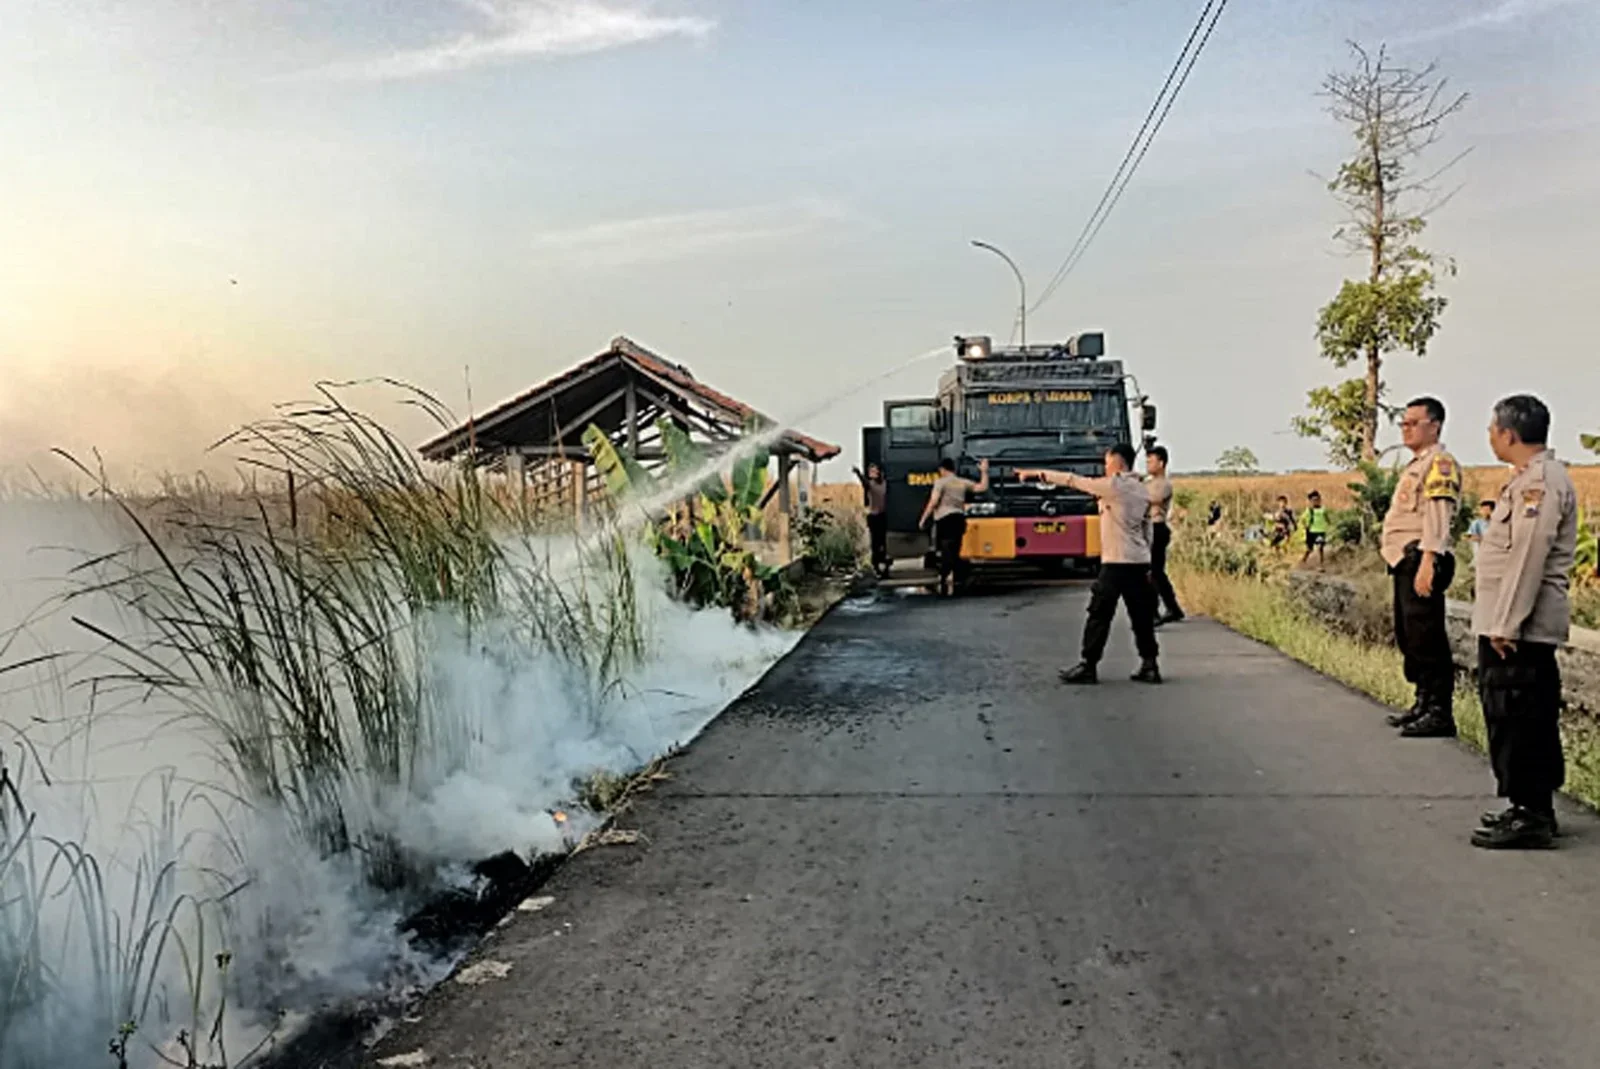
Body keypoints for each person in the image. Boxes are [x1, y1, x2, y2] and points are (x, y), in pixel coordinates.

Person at [1471, 395, 1578, 850]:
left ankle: (1532, 812)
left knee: (1519, 713)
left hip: (1520, 627)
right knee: (1513, 712)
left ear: (1509, 433)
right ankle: (1527, 805)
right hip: (1511, 621)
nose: (1490, 436)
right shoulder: (1525, 480)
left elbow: (1529, 555)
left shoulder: (1541, 483)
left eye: (1492, 429)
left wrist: (1507, 623)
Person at [1017, 443, 1160, 685]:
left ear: (1117, 463)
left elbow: (1072, 480)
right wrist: (1147, 559)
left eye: (1107, 462)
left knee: (1099, 614)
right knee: (1141, 617)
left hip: (1116, 562)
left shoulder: (1113, 486)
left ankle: (1088, 665)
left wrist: (1035, 474)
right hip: (1138, 560)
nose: (1105, 467)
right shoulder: (1142, 490)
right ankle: (1150, 664)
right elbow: (1148, 531)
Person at [1381, 397, 1463, 738]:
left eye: (1414, 423)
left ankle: (1439, 711)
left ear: (1435, 426)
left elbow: (1437, 516)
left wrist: (1429, 560)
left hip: (1421, 558)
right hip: (1404, 559)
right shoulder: (1416, 464)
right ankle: (1423, 702)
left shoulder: (1440, 464)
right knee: (1410, 636)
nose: (1406, 428)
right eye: (1403, 423)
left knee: (1427, 637)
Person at [918, 457, 989, 597]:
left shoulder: (940, 482)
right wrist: (984, 471)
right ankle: (958, 576)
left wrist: (923, 518)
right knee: (955, 549)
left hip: (944, 518)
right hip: (959, 518)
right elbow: (982, 487)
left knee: (945, 549)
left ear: (942, 469)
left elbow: (934, 501)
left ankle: (945, 576)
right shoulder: (961, 482)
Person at [1144, 446, 1184, 625]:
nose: (1148, 464)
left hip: (1157, 527)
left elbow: (1153, 499)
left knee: (1154, 572)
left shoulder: (1164, 484)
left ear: (1161, 463)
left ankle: (1155, 611)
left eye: (1151, 461)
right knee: (1155, 572)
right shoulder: (1148, 483)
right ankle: (1172, 608)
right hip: (1149, 528)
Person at [853, 462, 890, 576]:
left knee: (883, 543)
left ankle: (883, 565)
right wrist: (858, 473)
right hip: (874, 517)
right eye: (870, 471)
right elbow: (864, 483)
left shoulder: (884, 484)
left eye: (874, 471)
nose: (871, 473)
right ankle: (876, 566)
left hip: (883, 516)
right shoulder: (870, 484)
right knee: (875, 543)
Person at [1301, 491, 1331, 566]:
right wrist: (1305, 526)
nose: (1316, 501)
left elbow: (1327, 518)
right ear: (1311, 501)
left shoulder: (1323, 509)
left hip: (1320, 531)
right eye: (1314, 500)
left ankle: (1321, 564)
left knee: (1320, 547)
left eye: (1317, 499)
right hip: (1311, 532)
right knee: (1309, 549)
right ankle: (1304, 560)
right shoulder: (1309, 510)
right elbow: (1302, 519)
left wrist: (1329, 525)